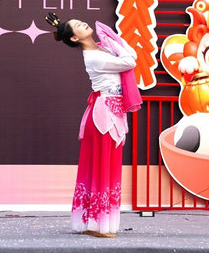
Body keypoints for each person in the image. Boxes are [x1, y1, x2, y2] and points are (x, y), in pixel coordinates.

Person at [45, 12, 140, 238]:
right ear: (74, 38)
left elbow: (130, 56)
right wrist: (116, 41)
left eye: (80, 21)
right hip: (103, 116)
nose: (83, 23)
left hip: (113, 112)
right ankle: (97, 224)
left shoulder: (102, 49)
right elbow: (130, 61)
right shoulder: (94, 57)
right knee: (101, 169)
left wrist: (112, 40)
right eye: (77, 25)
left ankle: (97, 222)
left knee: (108, 168)